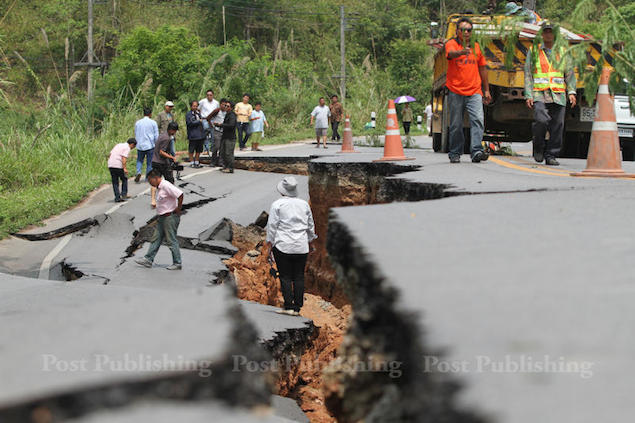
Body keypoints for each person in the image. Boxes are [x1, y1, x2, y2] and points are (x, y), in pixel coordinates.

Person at [525, 21, 576, 166]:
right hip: (539, 93)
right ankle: (538, 147)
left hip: (558, 95)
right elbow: (528, 73)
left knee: (557, 125)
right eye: (546, 31)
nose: (548, 34)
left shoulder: (563, 51)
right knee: (541, 120)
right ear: (542, 34)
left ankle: (551, 154)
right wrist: (528, 94)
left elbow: (570, 73)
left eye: (551, 32)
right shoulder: (534, 51)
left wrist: (571, 92)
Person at [263, 176, 317, 316]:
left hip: (283, 245)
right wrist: (311, 241)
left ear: (282, 191)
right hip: (301, 246)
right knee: (299, 276)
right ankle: (297, 308)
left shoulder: (277, 205)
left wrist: (269, 243)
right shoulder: (304, 204)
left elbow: (272, 226)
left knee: (285, 276)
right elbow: (310, 225)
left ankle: (288, 306)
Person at [445, 17, 491, 163]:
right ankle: (455, 152)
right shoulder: (452, 44)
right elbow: (450, 54)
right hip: (455, 90)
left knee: (478, 120)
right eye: (463, 30)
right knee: (456, 124)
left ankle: (476, 150)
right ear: (457, 31)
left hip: (474, 91)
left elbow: (483, 69)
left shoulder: (476, 47)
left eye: (469, 30)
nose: (466, 32)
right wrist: (461, 52)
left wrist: (487, 90)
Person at [135, 169, 183, 271]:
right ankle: (148, 259)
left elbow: (180, 194)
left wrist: (178, 209)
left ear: (155, 178)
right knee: (156, 238)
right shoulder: (159, 187)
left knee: (171, 240)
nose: (150, 183)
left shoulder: (166, 185)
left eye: (150, 180)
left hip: (170, 217)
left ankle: (177, 262)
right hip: (162, 217)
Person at [107, 138, 137, 203]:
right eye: (133, 146)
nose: (132, 148)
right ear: (132, 144)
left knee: (115, 182)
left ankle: (117, 197)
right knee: (124, 179)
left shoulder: (119, 145)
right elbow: (124, 158)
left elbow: (110, 154)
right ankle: (124, 194)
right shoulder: (127, 147)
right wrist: (124, 168)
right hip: (117, 165)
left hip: (111, 164)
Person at [134, 107, 159, 182]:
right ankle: (148, 177)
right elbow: (156, 135)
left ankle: (138, 171)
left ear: (143, 113)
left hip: (140, 144)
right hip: (150, 145)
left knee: (139, 160)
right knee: (149, 162)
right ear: (150, 114)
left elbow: (136, 133)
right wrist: (156, 144)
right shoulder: (153, 123)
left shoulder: (138, 123)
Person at [215, 101, 237, 173]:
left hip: (230, 138)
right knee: (223, 152)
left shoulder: (232, 115)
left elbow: (231, 125)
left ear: (231, 108)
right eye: (225, 106)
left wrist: (221, 125)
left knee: (228, 153)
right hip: (225, 136)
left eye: (228, 106)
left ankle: (230, 168)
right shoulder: (227, 114)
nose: (226, 107)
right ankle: (225, 166)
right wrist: (219, 125)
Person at [185, 100, 206, 168]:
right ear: (191, 106)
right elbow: (189, 123)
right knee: (191, 149)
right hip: (193, 135)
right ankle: (191, 162)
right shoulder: (188, 114)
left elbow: (201, 122)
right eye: (194, 106)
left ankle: (197, 162)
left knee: (199, 149)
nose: (195, 107)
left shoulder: (198, 113)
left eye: (196, 106)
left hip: (200, 134)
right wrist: (198, 121)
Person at [199, 89, 219, 156]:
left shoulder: (216, 103)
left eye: (210, 95)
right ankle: (205, 149)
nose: (209, 96)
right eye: (208, 95)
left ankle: (212, 149)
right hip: (205, 119)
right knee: (205, 135)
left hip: (213, 120)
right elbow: (198, 109)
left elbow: (217, 111)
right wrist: (200, 117)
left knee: (213, 135)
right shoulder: (202, 101)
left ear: (213, 95)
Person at [208, 98, 227, 167]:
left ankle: (220, 161)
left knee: (222, 147)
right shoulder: (217, 110)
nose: (224, 106)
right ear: (220, 104)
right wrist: (211, 125)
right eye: (222, 104)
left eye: (225, 105)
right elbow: (208, 117)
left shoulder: (227, 112)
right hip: (217, 130)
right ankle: (213, 161)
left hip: (224, 131)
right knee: (216, 146)